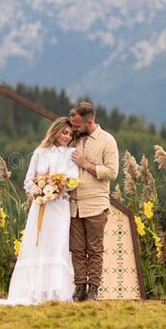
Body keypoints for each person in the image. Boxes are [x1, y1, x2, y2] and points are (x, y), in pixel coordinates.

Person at [0, 117, 80, 306]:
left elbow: (73, 179)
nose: (67, 137)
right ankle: (34, 290)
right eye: (64, 132)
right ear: (56, 131)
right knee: (38, 245)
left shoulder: (72, 154)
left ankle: (56, 293)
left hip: (59, 207)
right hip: (41, 206)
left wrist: (58, 187)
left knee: (56, 245)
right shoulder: (40, 152)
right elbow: (28, 180)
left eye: (70, 134)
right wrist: (38, 191)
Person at [68, 101, 119, 302]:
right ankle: (79, 288)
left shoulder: (107, 141)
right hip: (74, 205)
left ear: (89, 122)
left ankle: (93, 291)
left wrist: (85, 164)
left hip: (96, 204)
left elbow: (112, 172)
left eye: (77, 125)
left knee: (95, 250)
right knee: (77, 249)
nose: (73, 129)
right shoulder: (74, 139)